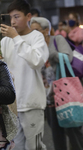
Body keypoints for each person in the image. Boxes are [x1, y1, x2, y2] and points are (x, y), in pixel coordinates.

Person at [0, 0, 49, 149]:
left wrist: (16, 38)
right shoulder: (5, 40)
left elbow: (36, 61)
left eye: (17, 17)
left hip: (31, 102)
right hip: (12, 104)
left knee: (35, 146)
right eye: (10, 18)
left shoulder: (37, 37)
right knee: (15, 146)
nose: (13, 22)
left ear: (28, 16)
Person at [30, 16, 83, 150]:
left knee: (72, 131)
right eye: (31, 31)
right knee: (56, 133)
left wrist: (48, 49)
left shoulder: (56, 40)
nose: (33, 34)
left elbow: (67, 56)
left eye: (36, 30)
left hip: (64, 92)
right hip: (48, 96)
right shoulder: (34, 47)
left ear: (46, 30)